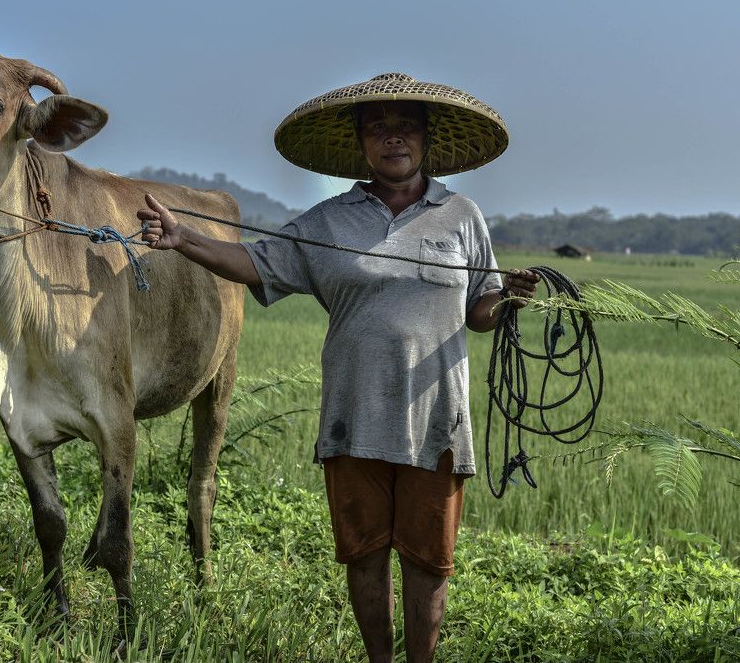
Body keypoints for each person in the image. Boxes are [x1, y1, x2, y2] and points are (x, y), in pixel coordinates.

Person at [136, 73, 539, 663]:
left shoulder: (461, 216)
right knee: (364, 552)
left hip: (437, 421)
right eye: (377, 128)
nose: (392, 139)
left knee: (429, 561)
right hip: (354, 418)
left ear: (427, 139)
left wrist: (510, 300)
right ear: (361, 144)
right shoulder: (329, 220)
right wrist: (185, 238)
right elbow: (254, 262)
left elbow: (480, 310)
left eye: (404, 127)